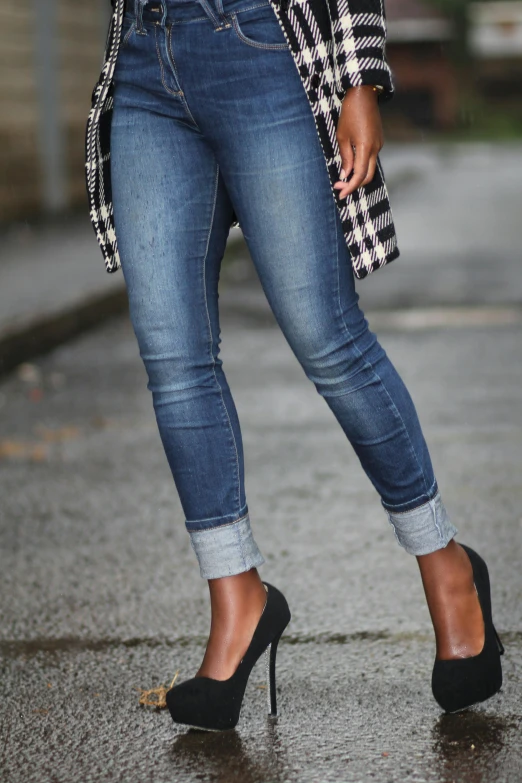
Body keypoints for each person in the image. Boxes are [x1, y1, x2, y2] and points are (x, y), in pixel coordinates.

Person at [85, 0, 504, 731]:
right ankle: (237, 597)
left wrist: (359, 80)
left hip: (261, 46)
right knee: (172, 355)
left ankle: (449, 568)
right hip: (146, 59)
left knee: (328, 338)